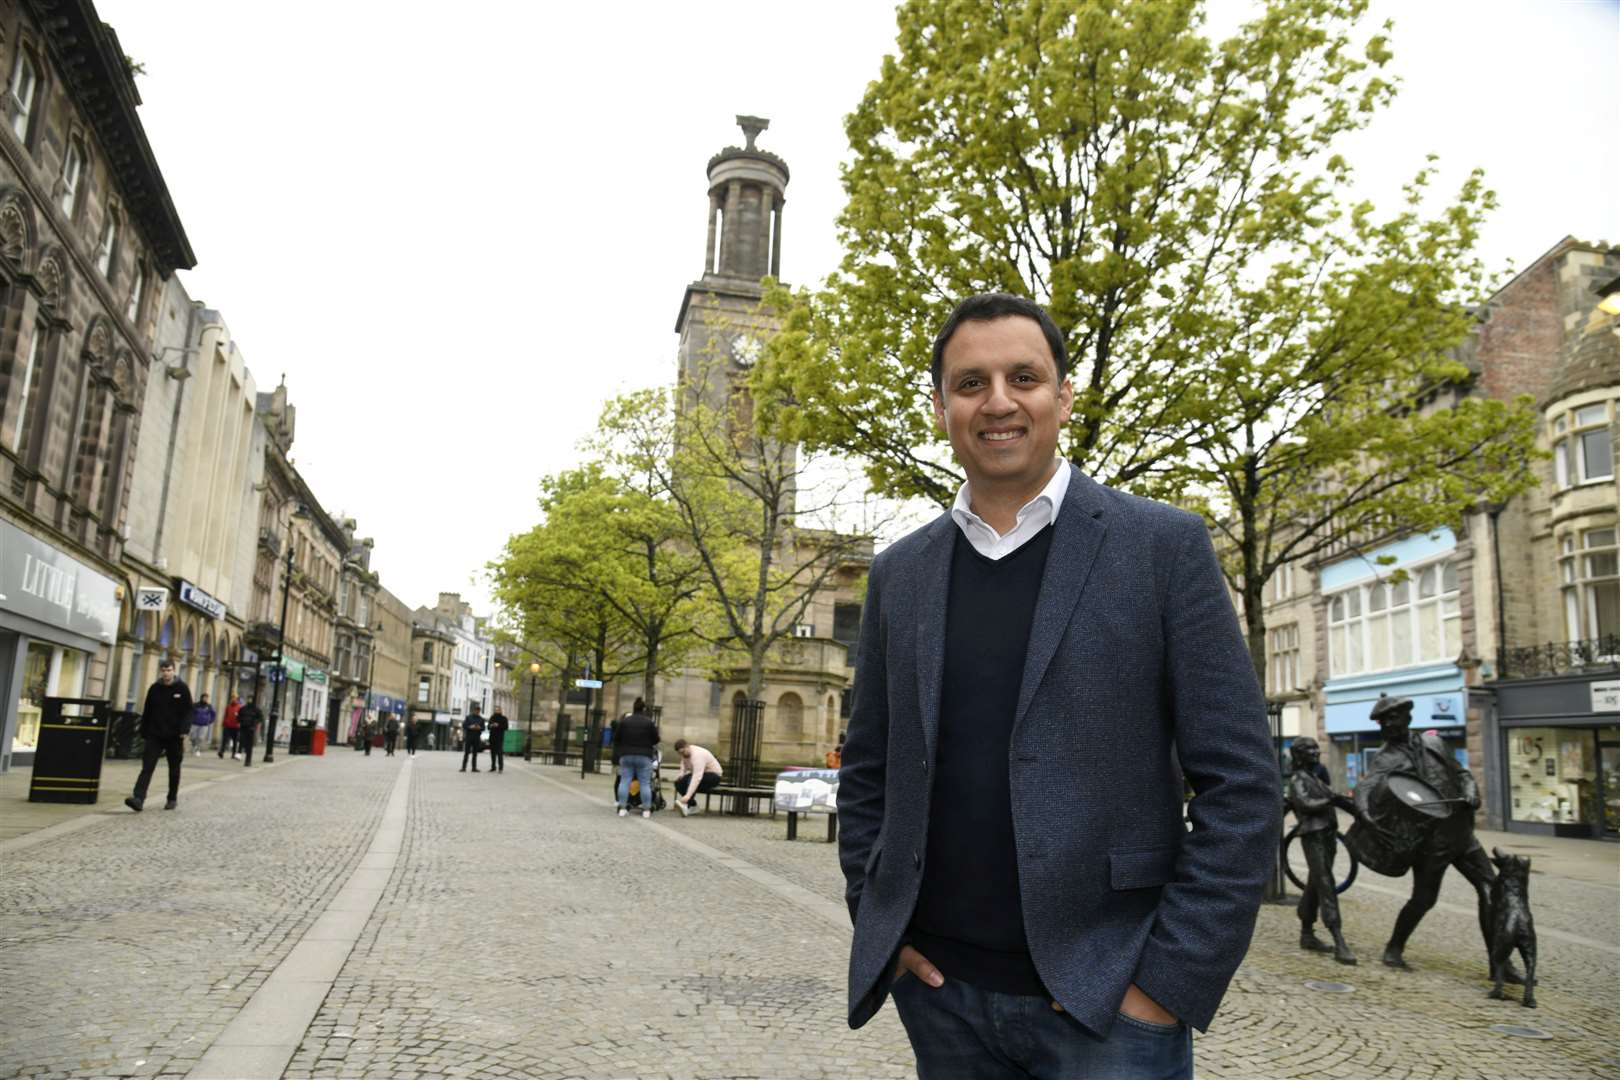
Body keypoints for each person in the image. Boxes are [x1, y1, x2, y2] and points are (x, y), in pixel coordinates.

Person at [837, 294, 1279, 1078]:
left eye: (1024, 377)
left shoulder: (1162, 548)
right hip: (943, 1000)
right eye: (970, 383)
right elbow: (870, 769)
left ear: (1063, 397)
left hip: (1111, 1009)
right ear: (941, 408)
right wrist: (881, 924)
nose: (998, 401)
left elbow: (1242, 784)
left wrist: (1165, 983)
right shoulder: (901, 574)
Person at [1356, 695, 1516, 980]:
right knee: (1424, 899)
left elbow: (1462, 772)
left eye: (1394, 717)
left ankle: (1499, 962)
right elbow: (1366, 786)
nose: (1388, 724)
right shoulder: (1385, 757)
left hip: (1461, 832)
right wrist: (1365, 814)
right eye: (1383, 721)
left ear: (1407, 717)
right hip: (1430, 841)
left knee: (1491, 889)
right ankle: (1394, 947)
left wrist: (1471, 791)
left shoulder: (1435, 743)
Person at [1286, 737, 1357, 965]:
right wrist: (1331, 799)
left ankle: (1306, 932)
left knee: (1316, 882)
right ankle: (1339, 939)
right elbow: (1305, 804)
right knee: (1325, 882)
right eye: (1309, 749)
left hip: (1327, 834)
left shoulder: (1314, 776)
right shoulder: (1297, 780)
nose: (1315, 752)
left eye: (1316, 748)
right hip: (1313, 836)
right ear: (1298, 755)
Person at [125, 659, 194, 811]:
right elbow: (147, 711)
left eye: (169, 670)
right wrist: (144, 731)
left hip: (175, 735)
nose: (166, 673)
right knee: (147, 767)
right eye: (163, 670)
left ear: (174, 671)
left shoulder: (182, 689)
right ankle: (138, 798)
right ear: (160, 671)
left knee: (174, 768)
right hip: (155, 734)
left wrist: (184, 730)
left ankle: (172, 798)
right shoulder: (154, 688)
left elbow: (189, 711)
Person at [613, 697, 658, 819]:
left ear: (633, 708)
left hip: (626, 755)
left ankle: (622, 808)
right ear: (643, 709)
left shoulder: (625, 722)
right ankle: (646, 810)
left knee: (625, 781)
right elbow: (656, 739)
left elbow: (616, 738)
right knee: (645, 783)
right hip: (644, 756)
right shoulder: (649, 722)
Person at [672, 738, 722, 817]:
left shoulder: (698, 755)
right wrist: (681, 774)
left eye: (683, 752)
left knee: (690, 780)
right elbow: (683, 764)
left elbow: (697, 777)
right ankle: (693, 806)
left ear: (687, 746)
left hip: (714, 776)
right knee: (679, 783)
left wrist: (688, 795)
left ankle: (686, 804)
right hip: (702, 775)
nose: (683, 755)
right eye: (680, 753)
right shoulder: (685, 754)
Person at [237, 699, 262, 766]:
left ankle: (247, 760)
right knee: (241, 740)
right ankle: (240, 753)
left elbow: (260, 718)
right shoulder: (243, 709)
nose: (250, 700)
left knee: (249, 743)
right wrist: (240, 721)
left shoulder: (256, 709)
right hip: (244, 727)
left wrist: (255, 723)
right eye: (249, 699)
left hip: (251, 728)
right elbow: (239, 716)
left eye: (251, 699)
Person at [460, 704, 485, 772]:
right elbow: (464, 725)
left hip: (477, 737)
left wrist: (479, 728)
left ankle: (474, 768)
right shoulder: (468, 717)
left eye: (478, 710)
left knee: (475, 754)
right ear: (474, 710)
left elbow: (483, 728)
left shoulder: (481, 719)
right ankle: (463, 767)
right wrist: (470, 727)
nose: (477, 711)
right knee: (466, 753)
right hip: (469, 737)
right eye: (476, 710)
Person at [218, 695, 242, 760]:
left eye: (234, 698)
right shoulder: (228, 707)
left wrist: (239, 722)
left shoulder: (239, 707)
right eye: (232, 698)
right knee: (224, 740)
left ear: (237, 700)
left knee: (234, 741)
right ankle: (221, 752)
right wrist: (224, 722)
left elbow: (241, 717)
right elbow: (225, 715)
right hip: (227, 725)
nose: (233, 699)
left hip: (235, 726)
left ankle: (233, 753)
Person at [486, 708, 509, 773]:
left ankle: (500, 768)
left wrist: (498, 725)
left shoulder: (504, 718)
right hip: (492, 738)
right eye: (496, 710)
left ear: (501, 711)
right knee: (492, 753)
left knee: (499, 753)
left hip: (499, 738)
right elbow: (488, 727)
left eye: (498, 710)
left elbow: (506, 727)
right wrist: (491, 725)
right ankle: (493, 767)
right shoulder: (492, 718)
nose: (497, 711)